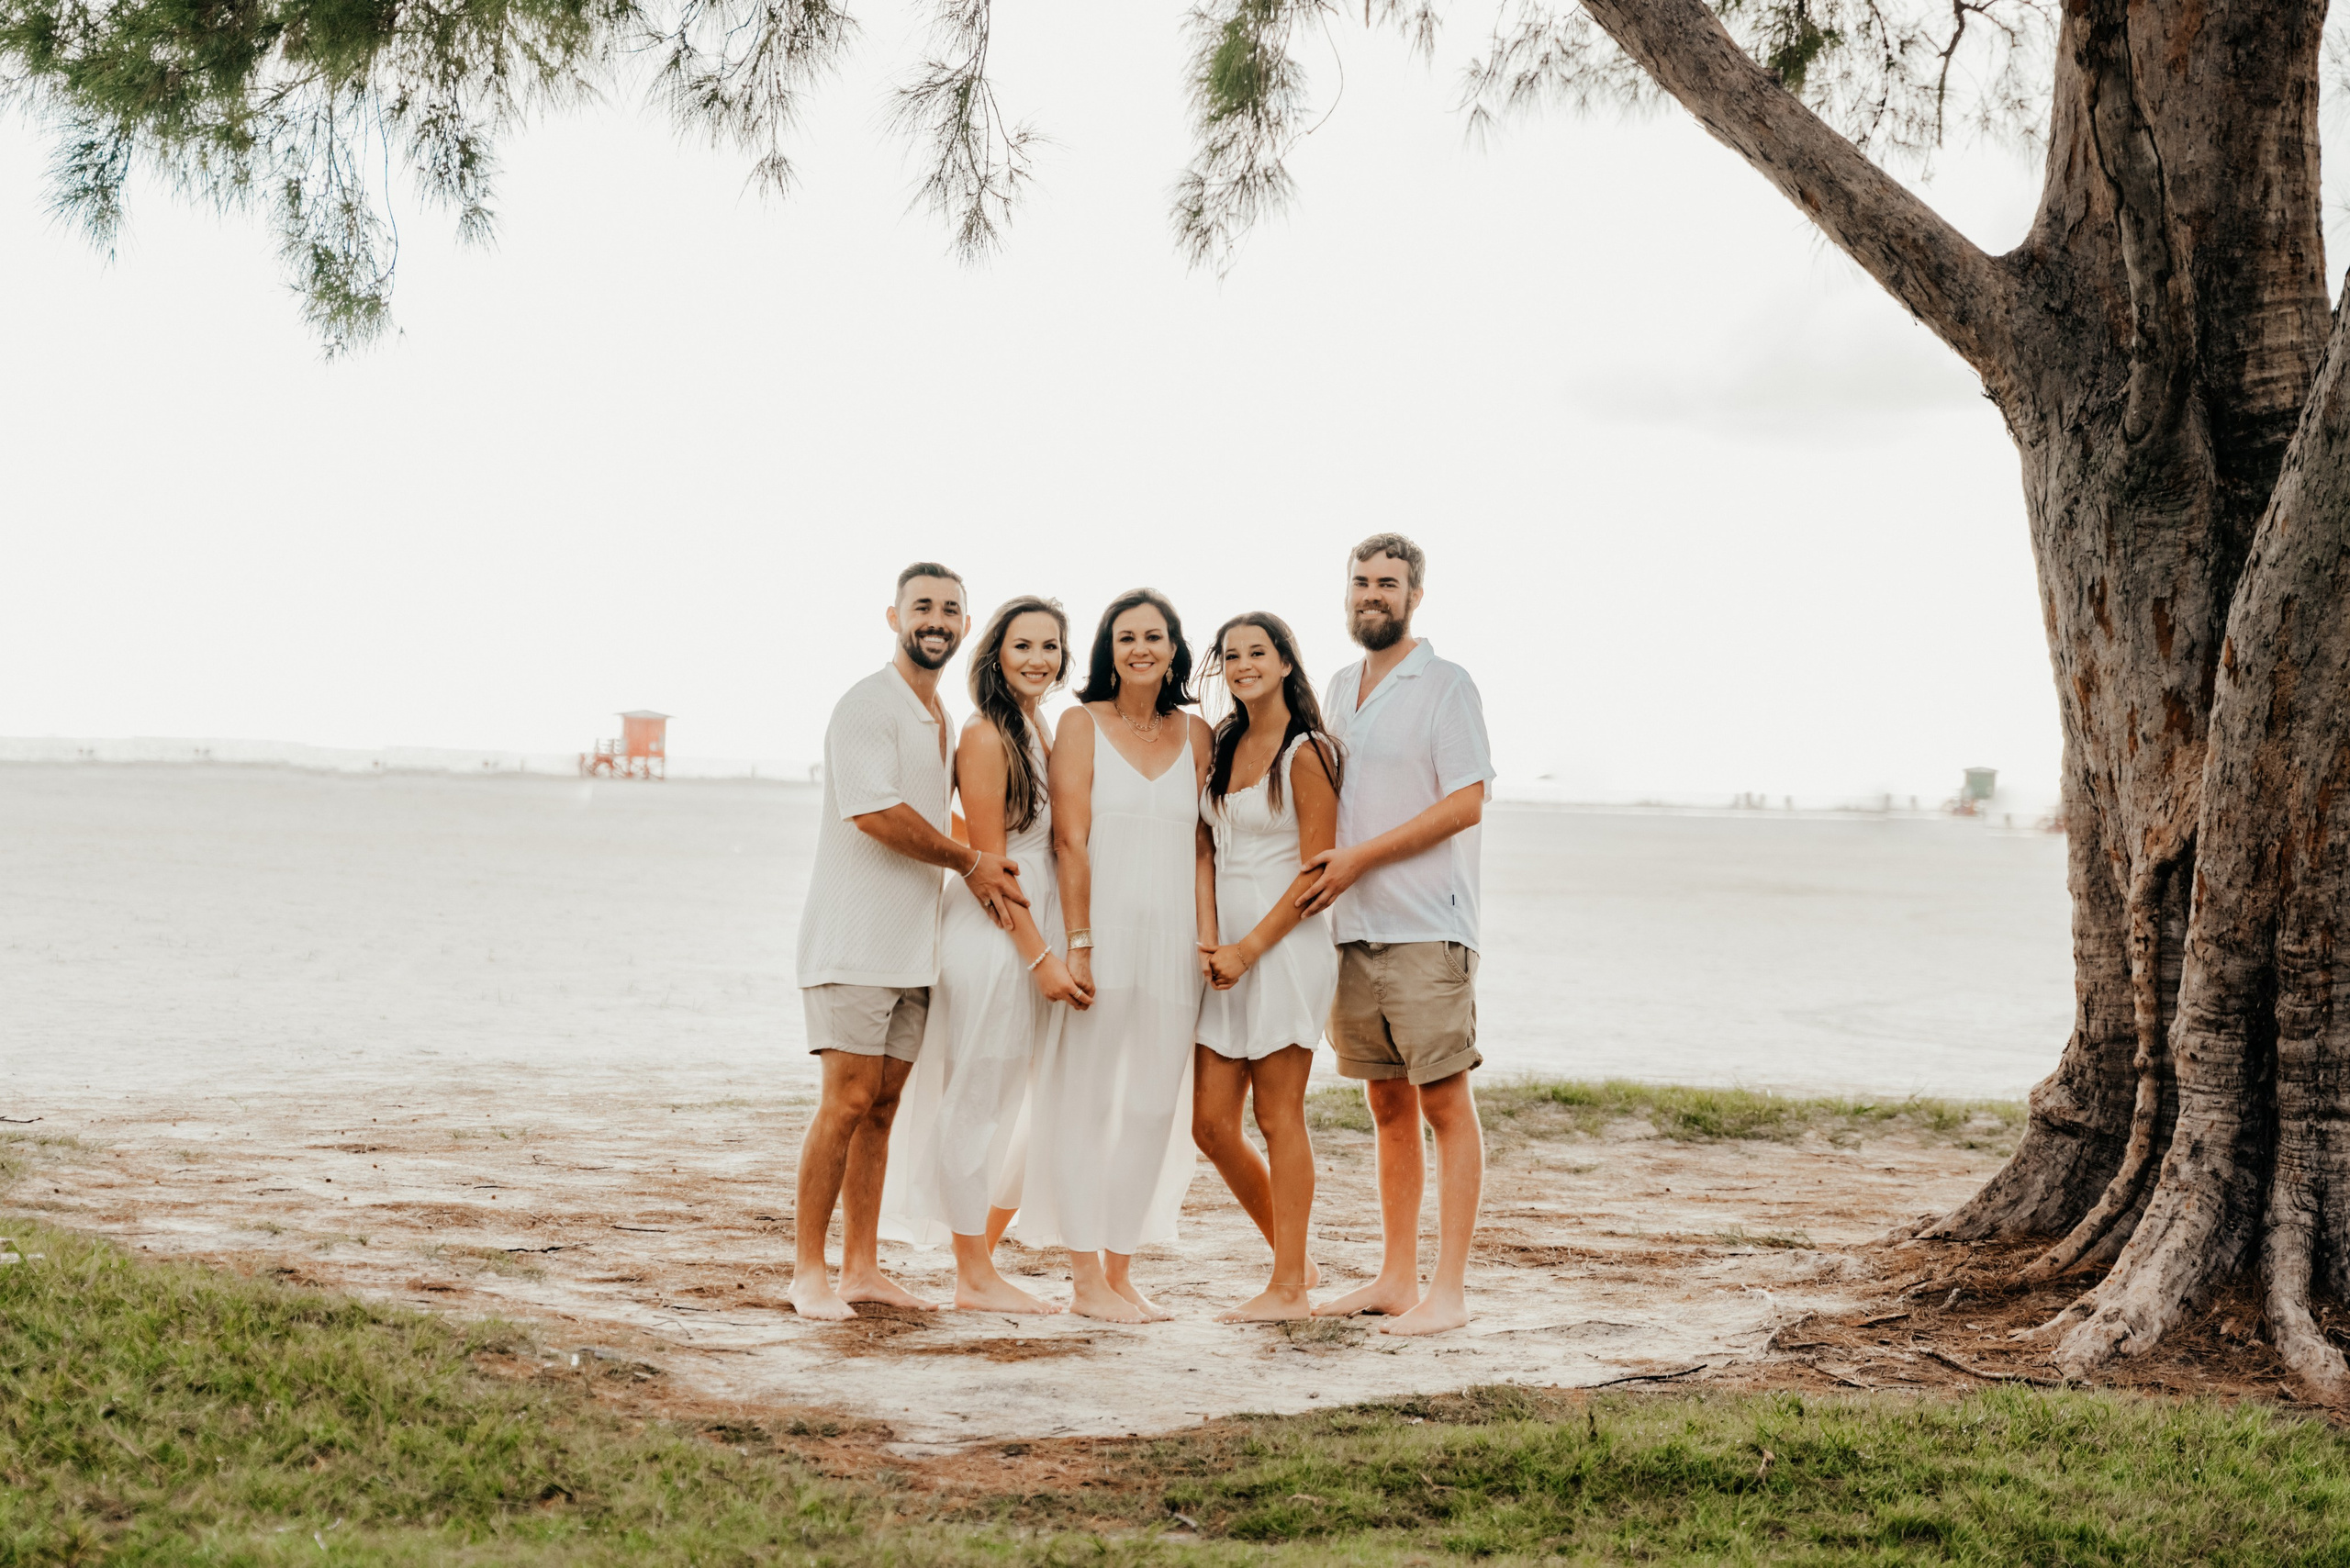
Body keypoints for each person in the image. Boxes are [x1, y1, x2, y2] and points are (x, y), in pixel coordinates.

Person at [788, 563, 1029, 1323]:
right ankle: (808, 1273)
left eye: (950, 610)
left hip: (912, 950)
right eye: (922, 607)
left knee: (884, 1107)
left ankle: (863, 1269)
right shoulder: (868, 705)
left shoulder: (941, 719)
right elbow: (876, 814)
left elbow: (928, 817)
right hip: (852, 944)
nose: (937, 620)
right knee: (847, 1101)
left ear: (964, 624)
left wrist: (992, 863)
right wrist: (970, 861)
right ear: (892, 616)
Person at [1301, 533, 1494, 1337]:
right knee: (1386, 1109)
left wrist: (1360, 860)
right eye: (1359, 582)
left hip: (1425, 927)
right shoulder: (1340, 687)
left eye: (1387, 582)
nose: (1370, 594)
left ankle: (1447, 1294)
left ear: (1415, 595)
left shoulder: (1445, 685)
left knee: (1444, 1104)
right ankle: (1394, 1278)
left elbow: (1466, 803)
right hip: (1353, 933)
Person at [878, 596, 1092, 1313]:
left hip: (1034, 937)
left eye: (1051, 647)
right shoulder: (984, 735)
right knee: (975, 1102)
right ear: (995, 652)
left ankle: (982, 1260)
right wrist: (1041, 960)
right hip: (999, 941)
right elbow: (989, 871)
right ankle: (972, 1277)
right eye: (1023, 645)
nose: (1038, 659)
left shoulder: (1038, 724)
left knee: (1010, 1104)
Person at [1018, 588, 1214, 1323]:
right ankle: (1083, 1280)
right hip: (1099, 935)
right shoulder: (1080, 724)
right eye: (1126, 635)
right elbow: (1069, 840)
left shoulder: (1197, 737)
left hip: (1173, 946)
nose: (1141, 647)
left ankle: (1121, 1270)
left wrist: (1206, 938)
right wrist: (1078, 943)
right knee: (1084, 1100)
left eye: (1154, 636)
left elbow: (1202, 847)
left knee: (1152, 1106)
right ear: (1108, 649)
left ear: (1173, 650)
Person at [1192, 611, 1343, 1323]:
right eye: (1232, 655)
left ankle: (1287, 1287)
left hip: (1283, 951)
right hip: (1225, 952)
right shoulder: (1224, 743)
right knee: (1212, 1124)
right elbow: (1207, 851)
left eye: (1258, 652)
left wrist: (1250, 950)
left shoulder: (1307, 751)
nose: (1244, 664)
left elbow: (1316, 877)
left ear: (1286, 662)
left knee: (1278, 1115)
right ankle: (1298, 1260)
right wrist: (1214, 942)